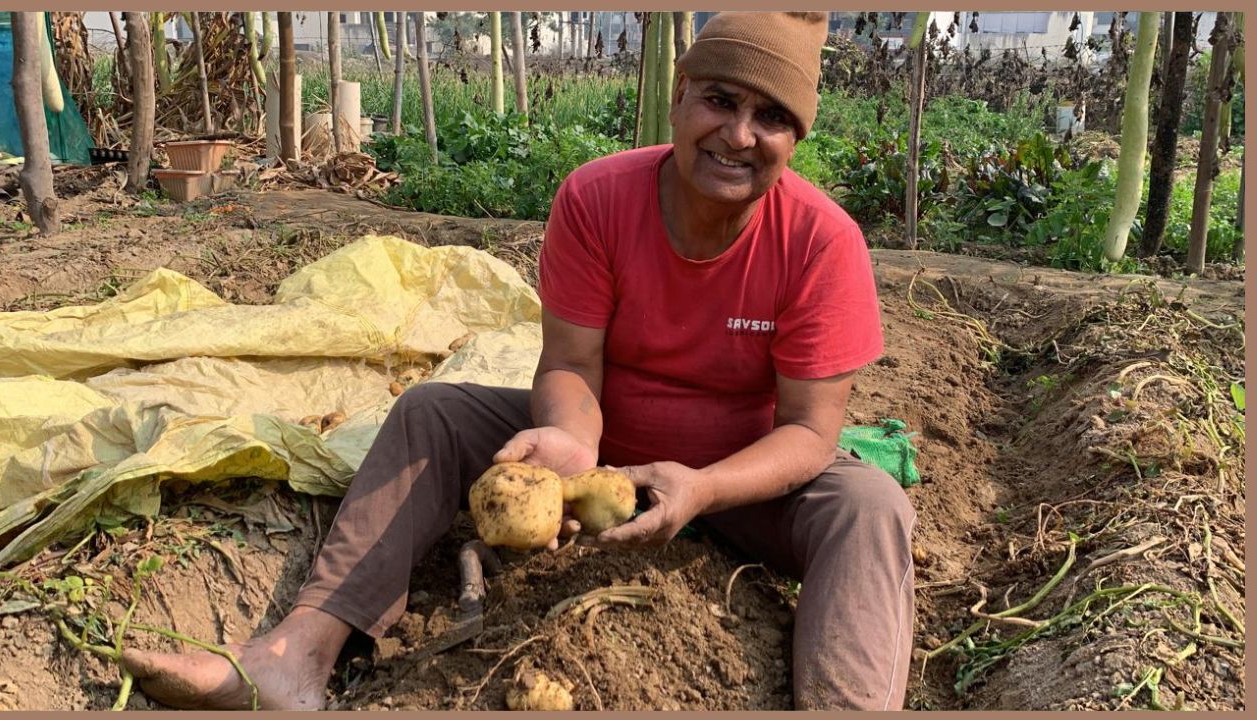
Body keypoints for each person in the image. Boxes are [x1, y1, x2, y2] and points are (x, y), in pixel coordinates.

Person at [121, 11, 915, 711]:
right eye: (721, 100)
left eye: (771, 117)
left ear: (795, 139)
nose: (739, 135)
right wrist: (571, 442)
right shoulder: (598, 199)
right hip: (602, 460)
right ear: (679, 98)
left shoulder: (820, 242)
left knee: (869, 507)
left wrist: (703, 487)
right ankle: (296, 659)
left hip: (738, 479)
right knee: (432, 411)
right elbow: (571, 363)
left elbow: (810, 433)